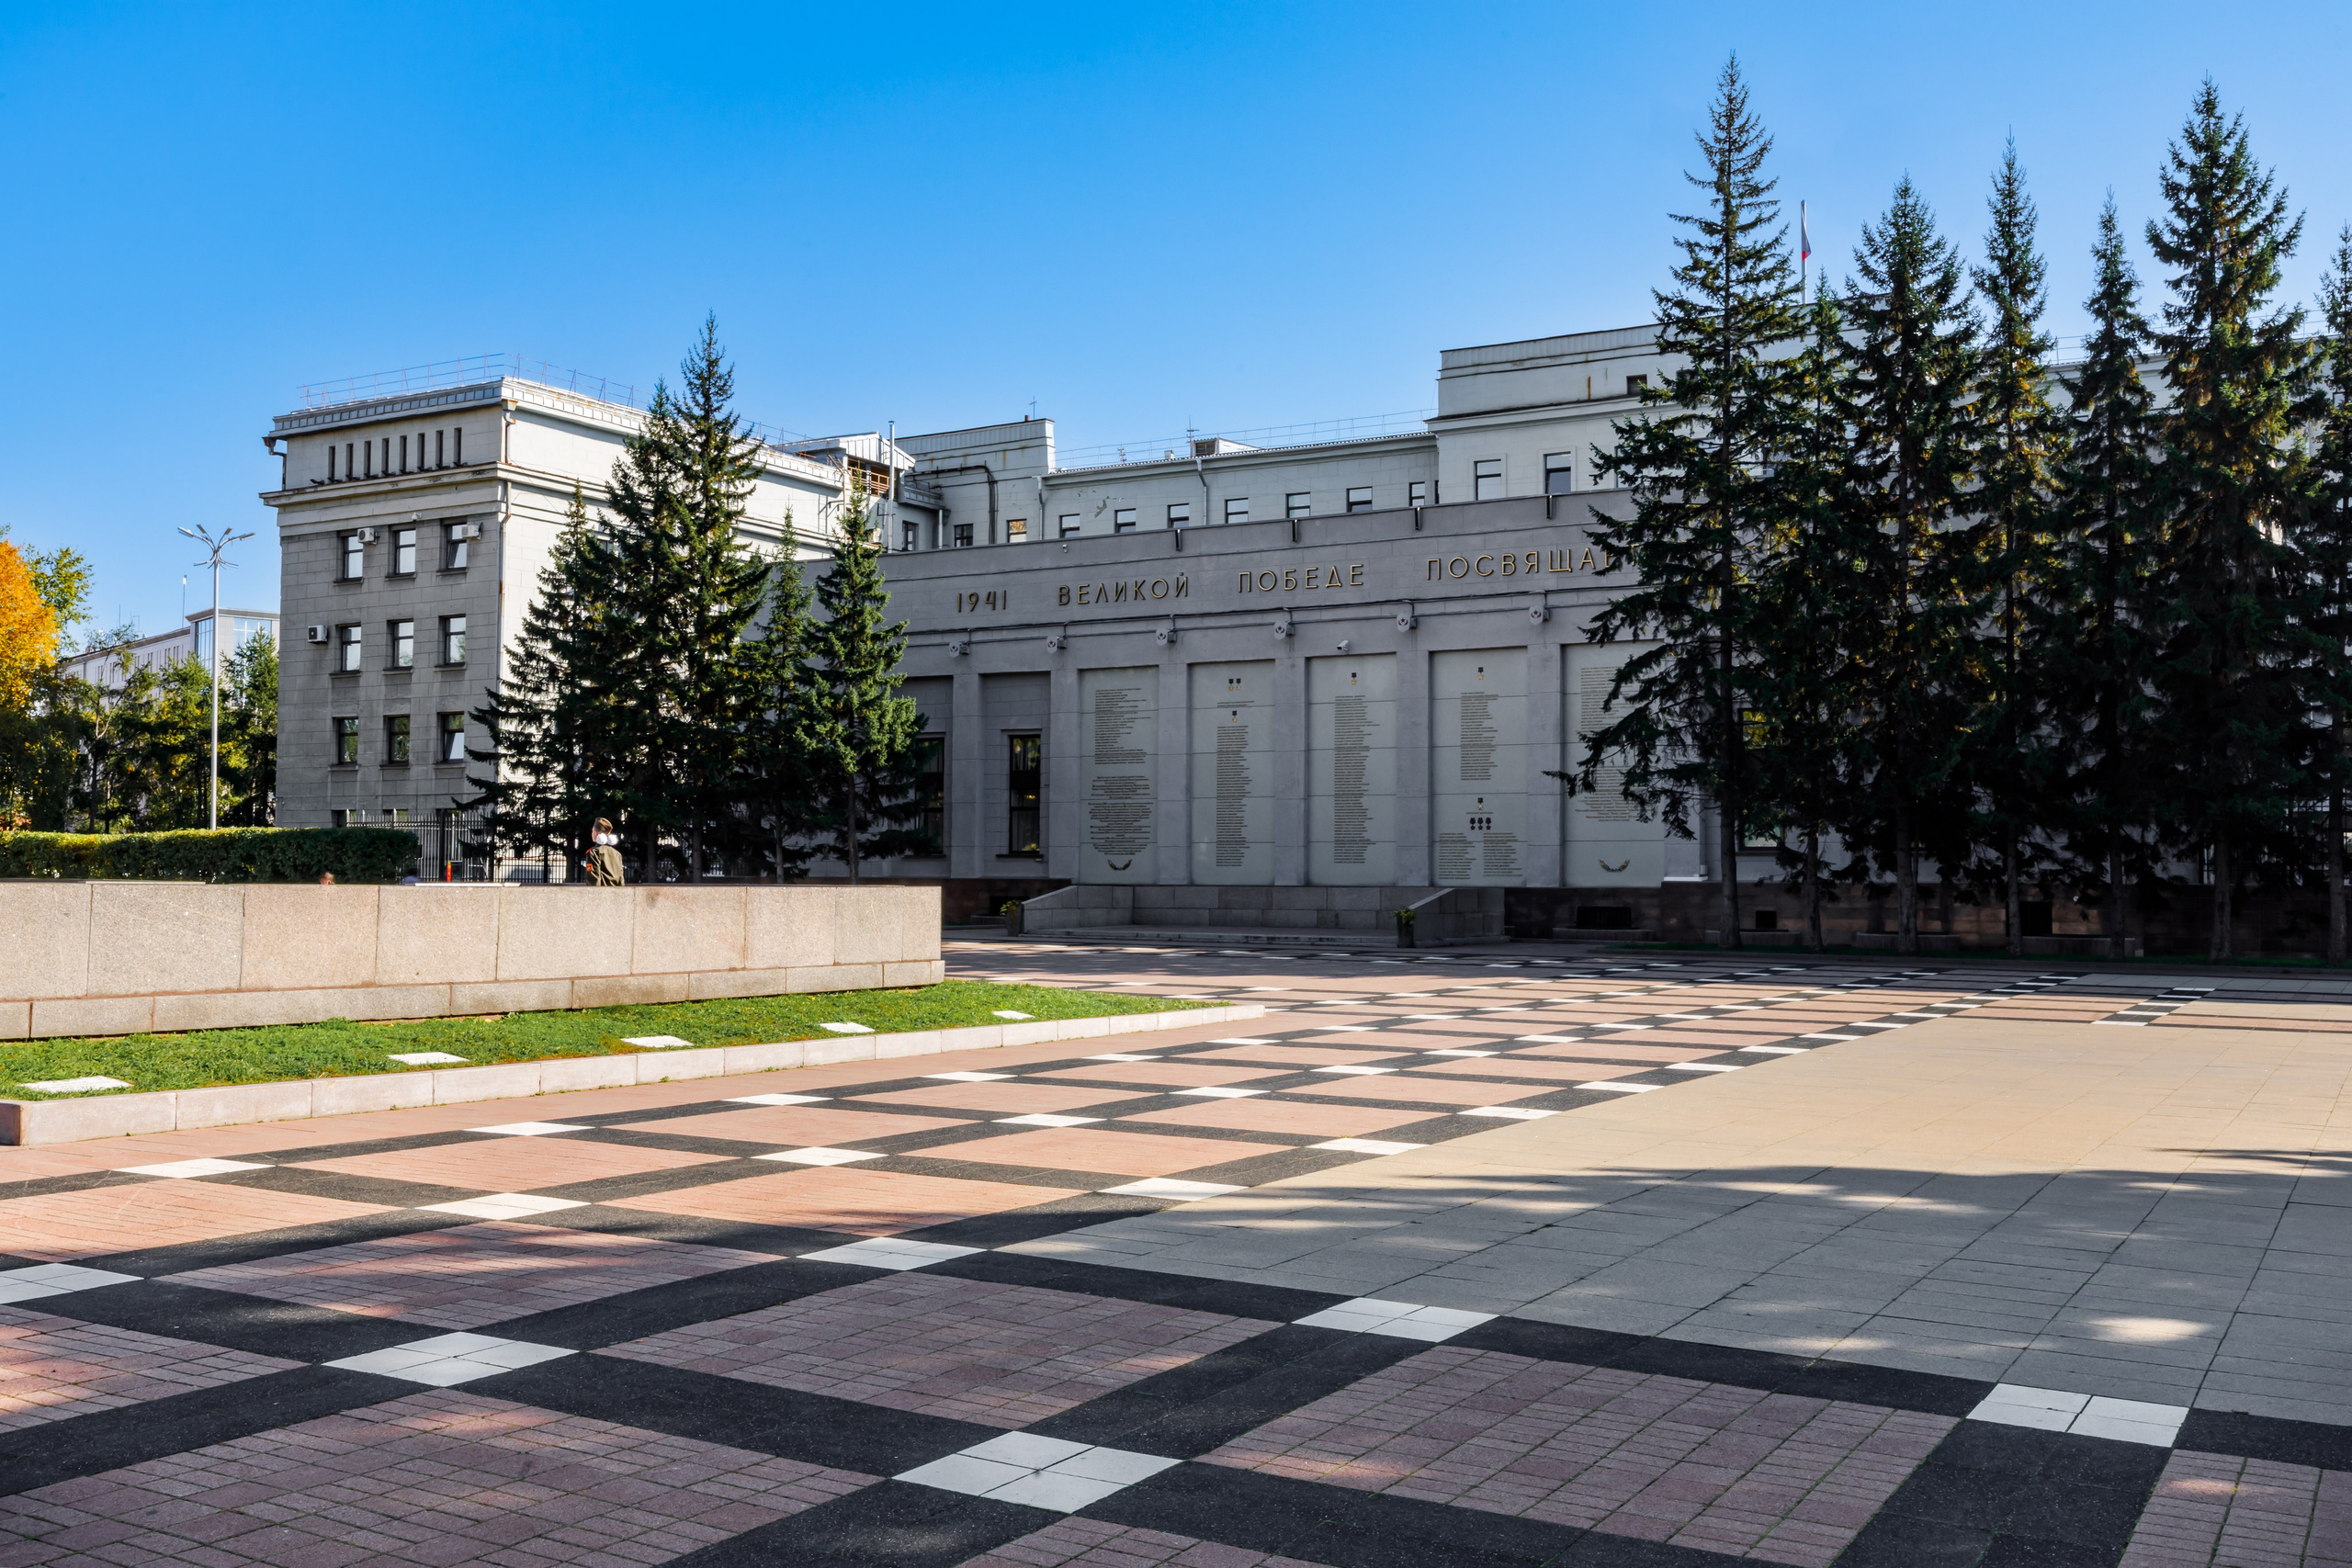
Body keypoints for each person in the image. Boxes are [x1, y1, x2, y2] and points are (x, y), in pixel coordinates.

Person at [588, 818, 625, 887]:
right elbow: (621, 878)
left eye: (592, 831)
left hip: (602, 895)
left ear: (596, 833)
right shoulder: (617, 854)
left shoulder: (594, 853)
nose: (592, 833)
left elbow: (593, 878)